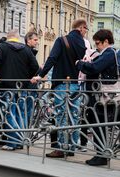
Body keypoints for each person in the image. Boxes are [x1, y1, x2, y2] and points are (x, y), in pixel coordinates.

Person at [31, 19, 88, 158]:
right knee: (74, 115)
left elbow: (52, 58)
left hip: (61, 84)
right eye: (86, 28)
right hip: (75, 84)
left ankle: (62, 148)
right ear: (80, 28)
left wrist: (40, 75)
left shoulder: (62, 40)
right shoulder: (83, 44)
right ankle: (72, 146)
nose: (86, 31)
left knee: (62, 115)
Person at [0, 30, 39, 151]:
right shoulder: (26, 49)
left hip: (6, 86)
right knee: (20, 114)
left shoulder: (2, 47)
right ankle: (20, 141)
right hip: (22, 87)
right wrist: (27, 77)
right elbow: (35, 67)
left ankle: (11, 142)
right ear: (17, 38)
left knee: (10, 113)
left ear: (8, 38)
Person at [76, 29, 118, 166]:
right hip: (102, 96)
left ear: (106, 41)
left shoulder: (109, 53)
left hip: (104, 96)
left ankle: (102, 155)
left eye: (98, 43)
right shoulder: (108, 53)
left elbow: (95, 68)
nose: (97, 46)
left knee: (100, 125)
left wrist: (80, 64)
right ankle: (100, 154)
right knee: (98, 125)